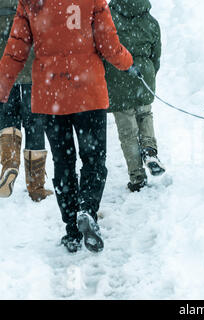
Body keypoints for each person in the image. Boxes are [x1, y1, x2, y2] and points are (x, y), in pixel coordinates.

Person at [0, 0, 135, 253]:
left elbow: (16, 48)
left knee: (63, 162)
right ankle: (87, 210)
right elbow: (108, 44)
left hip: (51, 97)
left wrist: (3, 86)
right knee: (94, 159)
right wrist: (128, 63)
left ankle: (72, 230)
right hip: (89, 93)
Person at [105, 0, 165, 193]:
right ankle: (149, 150)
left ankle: (137, 176)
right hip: (143, 76)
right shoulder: (151, 21)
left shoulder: (109, 19)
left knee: (127, 132)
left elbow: (103, 48)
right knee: (145, 115)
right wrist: (149, 73)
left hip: (118, 78)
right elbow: (156, 55)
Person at [0, 0, 52, 201]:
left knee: (8, 116)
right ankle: (36, 186)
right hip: (31, 68)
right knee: (35, 123)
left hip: (5, 68)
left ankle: (10, 164)